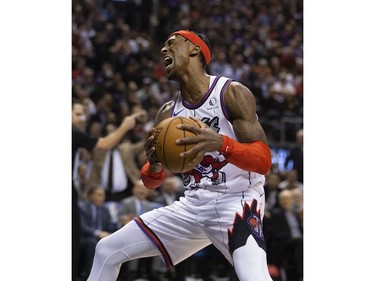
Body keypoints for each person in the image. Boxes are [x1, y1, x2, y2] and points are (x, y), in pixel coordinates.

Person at [87, 30, 273, 281]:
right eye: (163, 45)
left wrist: (221, 143)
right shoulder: (167, 112)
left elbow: (263, 161)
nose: (163, 50)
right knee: (106, 250)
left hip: (237, 202)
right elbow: (152, 181)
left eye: (171, 43)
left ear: (194, 49)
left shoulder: (231, 92)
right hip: (193, 204)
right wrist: (153, 166)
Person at [72, 98, 145, 281]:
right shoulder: (98, 148)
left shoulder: (126, 148)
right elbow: (104, 143)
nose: (81, 119)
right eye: (77, 114)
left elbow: (140, 145)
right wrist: (125, 125)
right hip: (100, 193)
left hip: (121, 195)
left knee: (121, 232)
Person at [79, 186, 117, 279]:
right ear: (91, 196)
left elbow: (110, 227)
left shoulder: (105, 210)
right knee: (93, 242)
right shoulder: (81, 207)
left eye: (103, 195)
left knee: (118, 241)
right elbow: (82, 227)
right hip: (84, 238)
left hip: (102, 238)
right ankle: (91, 275)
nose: (102, 198)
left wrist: (119, 224)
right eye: (99, 195)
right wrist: (98, 233)